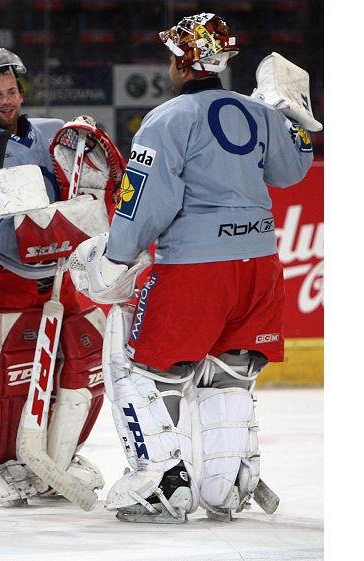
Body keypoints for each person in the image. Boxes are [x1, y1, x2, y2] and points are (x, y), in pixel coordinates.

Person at [68, 12, 315, 523]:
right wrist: (291, 119)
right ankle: (224, 488)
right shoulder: (260, 112)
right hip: (260, 266)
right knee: (230, 375)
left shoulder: (167, 119)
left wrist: (115, 255)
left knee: (138, 371)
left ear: (183, 62)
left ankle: (160, 487)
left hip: (196, 271)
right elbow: (292, 172)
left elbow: (145, 204)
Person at [0, 47, 109, 506]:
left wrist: (87, 142)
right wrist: (38, 234)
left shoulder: (49, 132)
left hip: (60, 274)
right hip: (6, 277)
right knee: (7, 373)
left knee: (88, 358)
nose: (7, 100)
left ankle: (58, 455)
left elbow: (82, 178)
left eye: (12, 91)